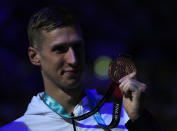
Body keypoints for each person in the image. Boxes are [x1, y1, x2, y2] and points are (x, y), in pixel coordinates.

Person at [0, 6, 161, 131]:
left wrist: (139, 119)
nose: (73, 59)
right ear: (34, 57)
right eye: (60, 49)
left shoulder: (126, 118)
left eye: (77, 47)